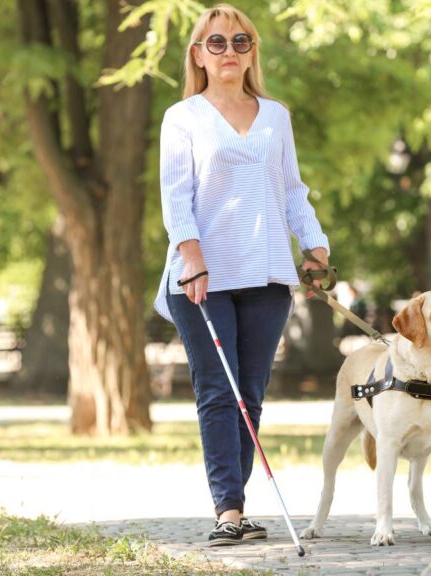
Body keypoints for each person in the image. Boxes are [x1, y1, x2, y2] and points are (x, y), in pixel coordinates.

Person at [154, 3, 330, 546]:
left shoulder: (276, 115)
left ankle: (239, 503)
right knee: (217, 390)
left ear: (252, 51)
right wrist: (193, 258)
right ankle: (228, 510)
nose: (229, 51)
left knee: (249, 394)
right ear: (198, 55)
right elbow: (176, 198)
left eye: (239, 42)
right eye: (216, 43)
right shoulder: (182, 117)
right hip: (200, 276)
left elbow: (291, 190)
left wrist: (316, 245)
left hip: (267, 272)